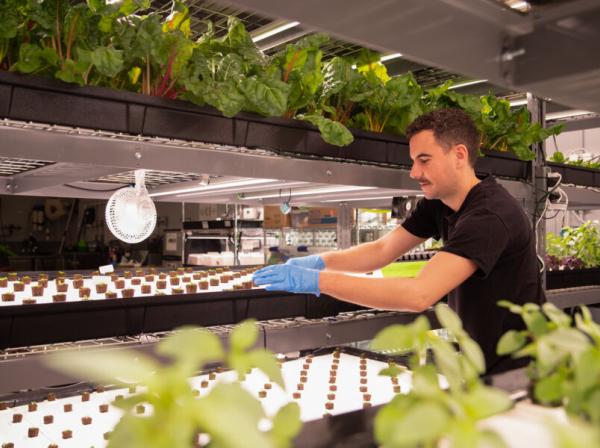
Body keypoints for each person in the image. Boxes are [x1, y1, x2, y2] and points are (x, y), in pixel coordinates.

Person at [253, 108, 545, 375]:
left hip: (522, 365)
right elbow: (382, 250)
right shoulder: (440, 203)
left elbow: (418, 294)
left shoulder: (490, 215)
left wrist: (318, 281)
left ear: (459, 155)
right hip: (479, 356)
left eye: (424, 160)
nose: (414, 173)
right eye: (413, 161)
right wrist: (321, 261)